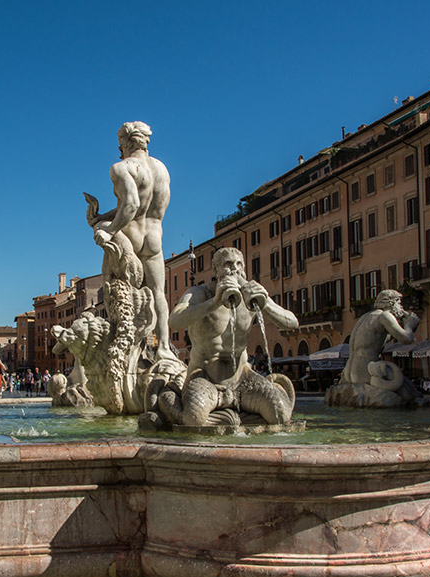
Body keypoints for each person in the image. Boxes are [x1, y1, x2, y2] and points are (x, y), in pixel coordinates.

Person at [168, 247, 300, 426]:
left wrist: (264, 304)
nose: (234, 269)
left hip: (242, 379)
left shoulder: (250, 293)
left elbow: (292, 322)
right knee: (194, 418)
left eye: (239, 264)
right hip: (205, 377)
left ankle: (229, 420)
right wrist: (214, 302)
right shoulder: (200, 293)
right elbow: (174, 320)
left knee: (279, 414)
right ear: (216, 270)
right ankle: (175, 409)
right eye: (228, 264)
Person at [87, 121, 175, 360]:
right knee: (159, 293)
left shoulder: (121, 168)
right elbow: (142, 208)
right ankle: (164, 348)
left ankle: (121, 343)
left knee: (112, 284)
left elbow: (132, 205)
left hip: (131, 235)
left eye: (120, 145)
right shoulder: (161, 169)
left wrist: (108, 228)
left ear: (125, 142)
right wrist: (101, 216)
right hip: (154, 237)